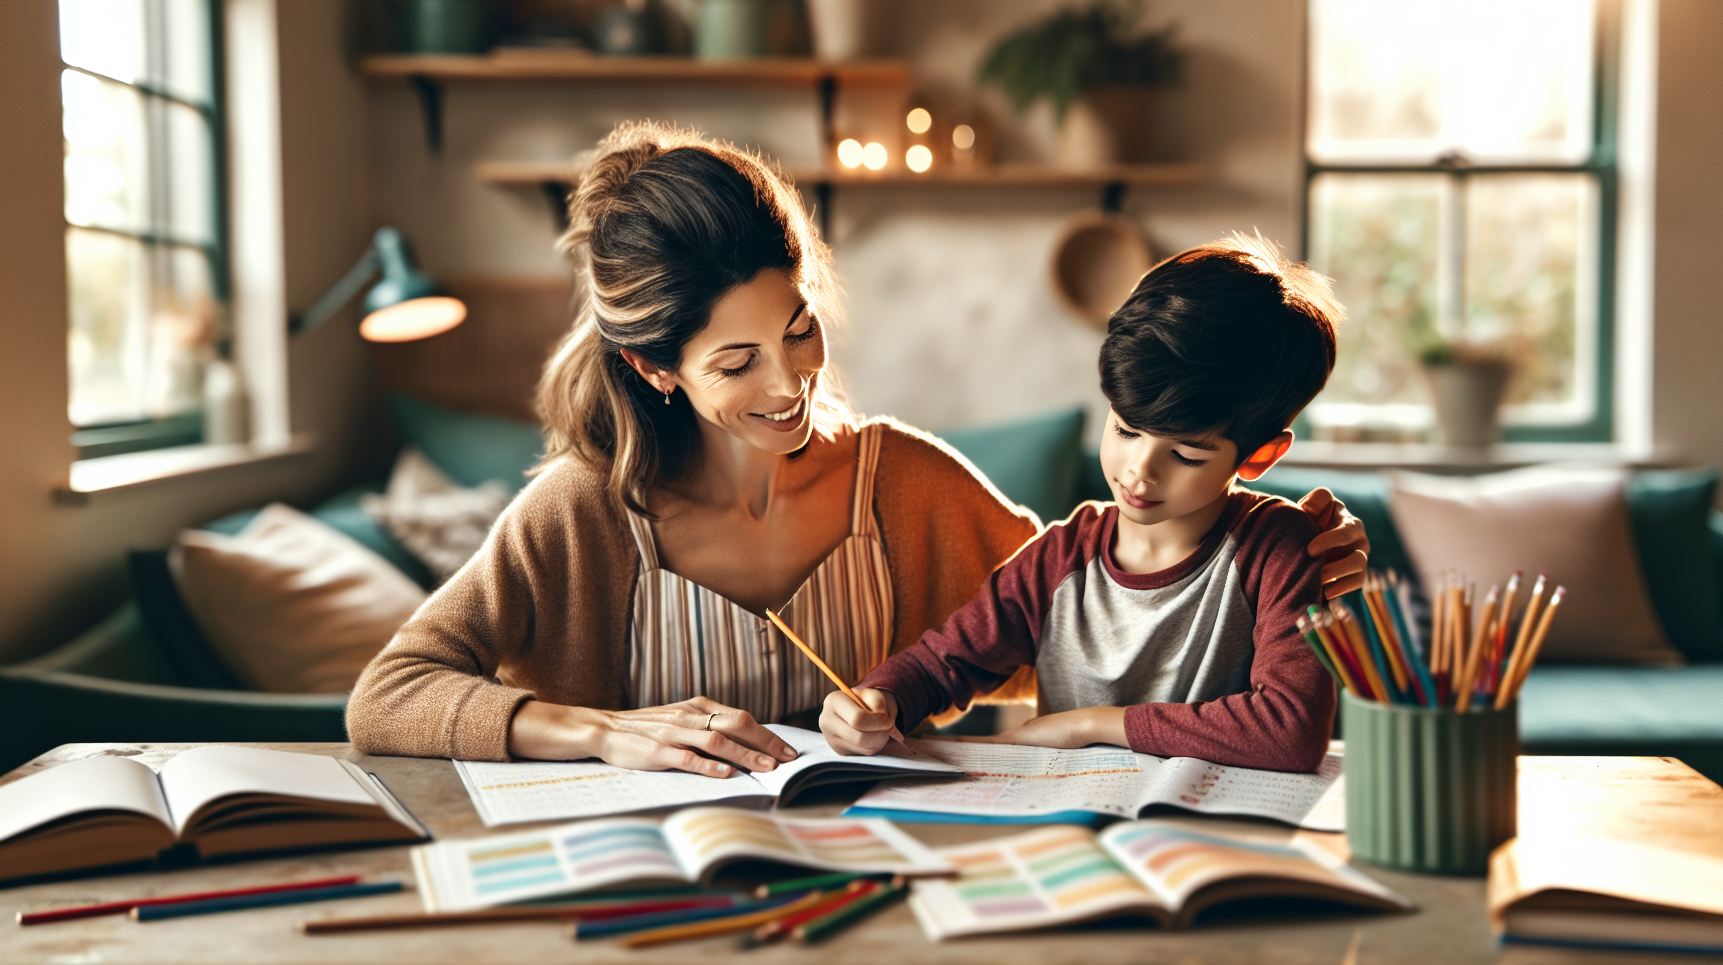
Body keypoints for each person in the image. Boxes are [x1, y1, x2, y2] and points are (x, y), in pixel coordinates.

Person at [347, 123, 1372, 777]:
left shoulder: (904, 483)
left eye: (799, 329)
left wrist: (1294, 546)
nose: (790, 384)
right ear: (659, 369)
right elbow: (386, 697)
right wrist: (600, 729)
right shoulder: (579, 514)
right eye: (737, 360)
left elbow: (1080, 610)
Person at [821, 236, 1345, 773]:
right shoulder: (1059, 558)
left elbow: (1291, 729)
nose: (1140, 469)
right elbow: (943, 664)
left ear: (1259, 456)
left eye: (1186, 455)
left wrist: (1090, 724)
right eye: (1124, 429)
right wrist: (879, 700)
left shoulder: (1277, 549)